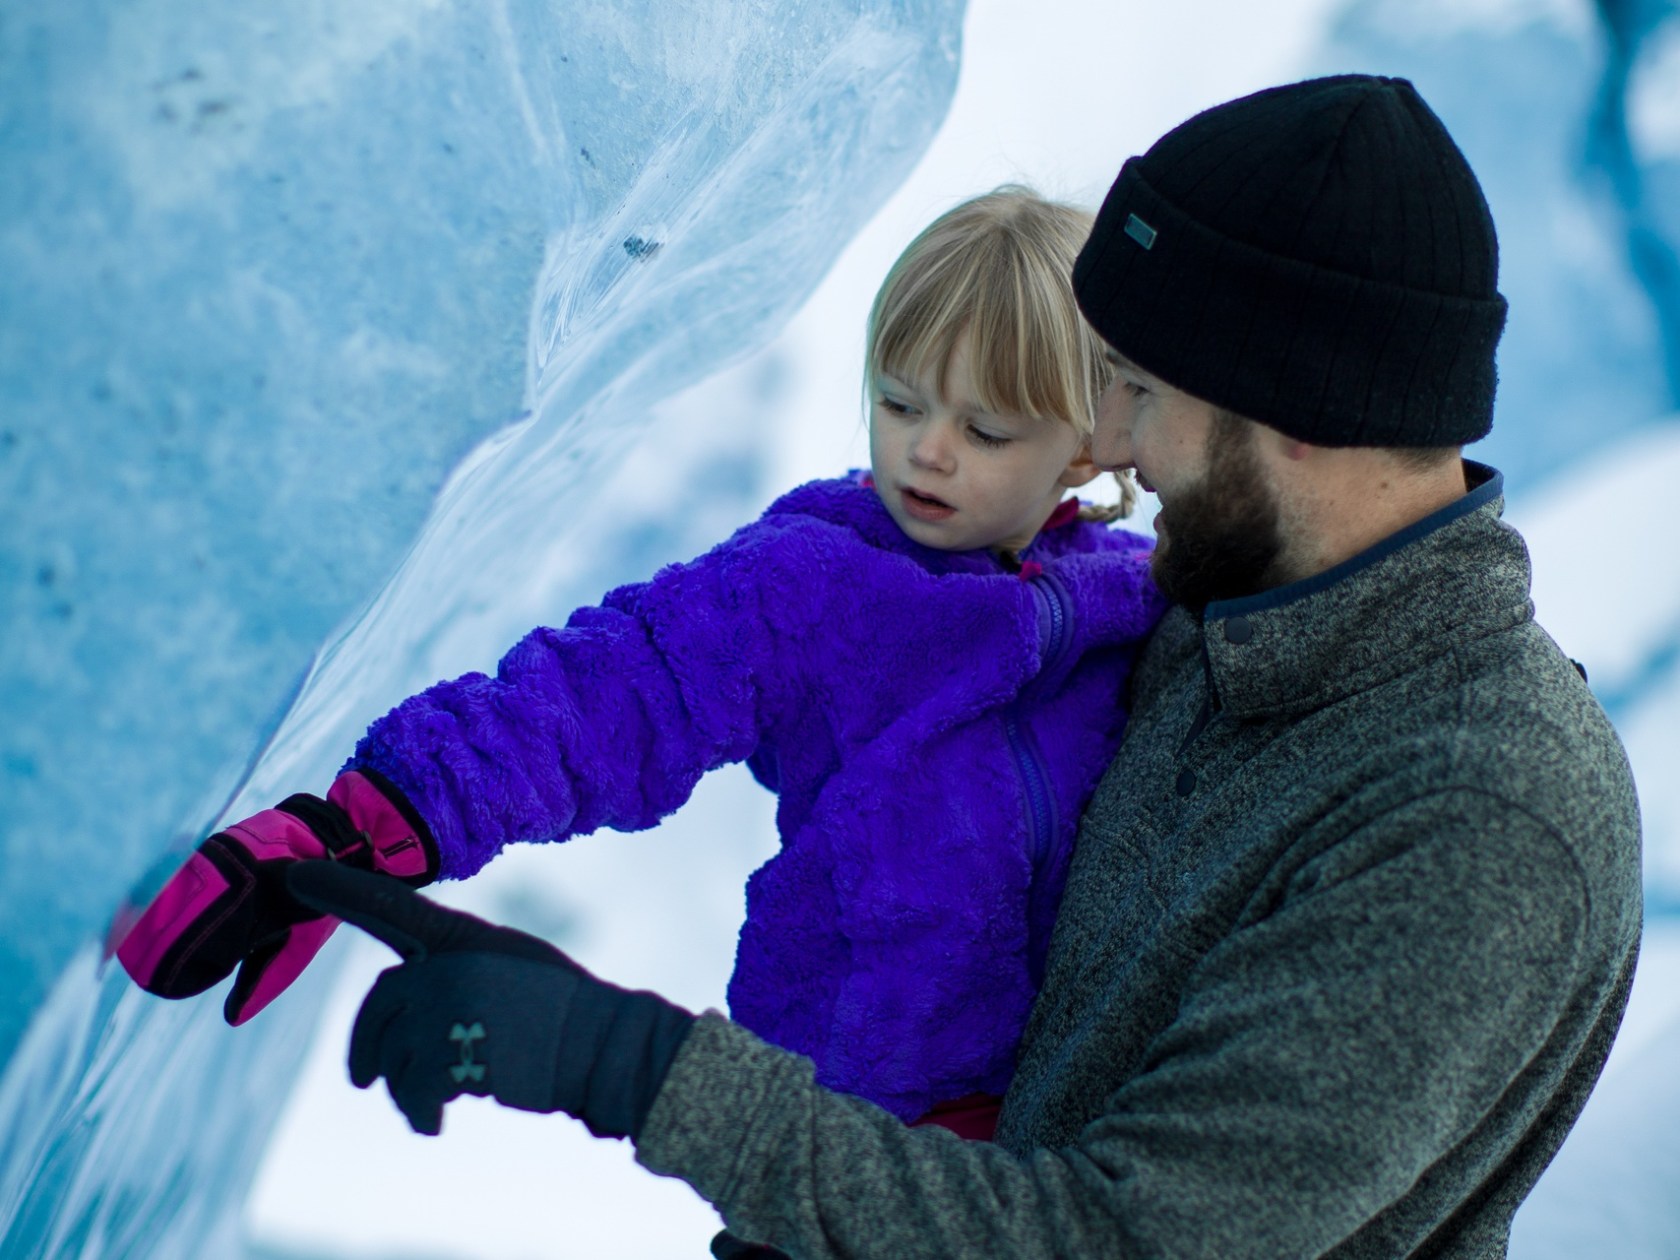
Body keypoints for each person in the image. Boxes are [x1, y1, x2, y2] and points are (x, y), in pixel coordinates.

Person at [280, 74, 1643, 1259]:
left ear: (1292, 416)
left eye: (1144, 394)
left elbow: (1125, 1240)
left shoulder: (1474, 814)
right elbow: (724, 657)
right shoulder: (1212, 629)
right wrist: (392, 818)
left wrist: (632, 1069)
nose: (1103, 442)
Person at [117, 188, 1166, 1136]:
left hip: (1067, 1123)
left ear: (1086, 447)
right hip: (853, 1116)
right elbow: (610, 694)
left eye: (984, 430)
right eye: (898, 402)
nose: (927, 450)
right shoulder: (814, 585)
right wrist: (367, 826)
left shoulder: (1138, 599)